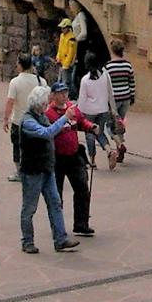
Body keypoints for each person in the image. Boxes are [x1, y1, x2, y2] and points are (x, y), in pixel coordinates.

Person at [17, 84, 80, 254]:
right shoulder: (29, 121)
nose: (48, 105)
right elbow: (46, 133)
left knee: (55, 202)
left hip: (46, 168)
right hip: (32, 171)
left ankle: (60, 238)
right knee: (30, 208)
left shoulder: (41, 115)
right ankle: (27, 241)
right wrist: (65, 117)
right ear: (39, 104)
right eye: (45, 103)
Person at [45, 81, 96, 237]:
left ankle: (81, 224)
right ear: (53, 95)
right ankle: (58, 227)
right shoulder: (49, 114)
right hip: (57, 158)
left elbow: (81, 121)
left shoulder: (72, 109)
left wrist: (90, 127)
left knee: (82, 188)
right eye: (61, 93)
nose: (64, 95)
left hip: (74, 156)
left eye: (66, 92)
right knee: (56, 195)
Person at [3, 54, 48, 182]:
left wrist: (6, 118)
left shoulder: (15, 82)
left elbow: (10, 102)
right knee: (35, 147)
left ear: (20, 65)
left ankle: (19, 172)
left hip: (19, 120)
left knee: (17, 147)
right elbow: (45, 101)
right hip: (36, 119)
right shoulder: (41, 81)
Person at [74, 50, 115, 167]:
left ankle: (92, 160)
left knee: (90, 135)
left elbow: (82, 99)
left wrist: (79, 112)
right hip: (103, 109)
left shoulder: (85, 80)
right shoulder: (105, 74)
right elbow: (110, 91)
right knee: (100, 132)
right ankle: (109, 150)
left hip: (89, 111)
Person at [105, 38, 136, 163]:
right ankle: (120, 148)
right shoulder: (128, 65)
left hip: (114, 99)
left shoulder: (108, 66)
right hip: (126, 97)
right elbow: (131, 83)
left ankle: (119, 144)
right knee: (121, 123)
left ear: (112, 50)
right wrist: (132, 96)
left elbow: (106, 85)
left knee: (109, 125)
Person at [55, 19, 78, 89]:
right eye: (62, 28)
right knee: (60, 79)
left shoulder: (72, 38)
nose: (62, 29)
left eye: (64, 28)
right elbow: (60, 48)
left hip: (68, 64)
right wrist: (58, 57)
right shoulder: (62, 36)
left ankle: (71, 96)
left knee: (67, 81)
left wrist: (66, 65)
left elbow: (71, 53)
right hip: (61, 62)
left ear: (68, 27)